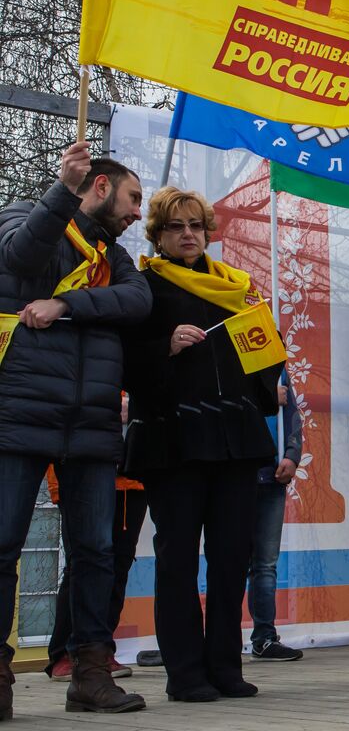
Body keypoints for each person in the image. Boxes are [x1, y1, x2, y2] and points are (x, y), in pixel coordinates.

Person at [0, 144, 149, 718]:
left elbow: (137, 301)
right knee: (3, 545)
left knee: (96, 552)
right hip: (20, 415)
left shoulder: (116, 256)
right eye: (133, 198)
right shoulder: (24, 214)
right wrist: (62, 191)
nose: (138, 212)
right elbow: (20, 256)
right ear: (102, 187)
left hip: (90, 423)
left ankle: (89, 672)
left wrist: (67, 307)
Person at [120, 186, 283, 702]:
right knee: (177, 561)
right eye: (176, 227)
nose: (188, 234)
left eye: (195, 225)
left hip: (235, 437)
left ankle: (225, 668)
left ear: (208, 232)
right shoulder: (145, 285)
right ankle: (186, 674)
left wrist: (269, 379)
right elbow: (122, 360)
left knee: (232, 556)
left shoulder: (238, 287)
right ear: (158, 235)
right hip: (175, 438)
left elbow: (263, 354)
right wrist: (163, 348)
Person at [44, 452, 146, 680]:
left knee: (119, 564)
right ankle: (64, 654)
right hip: (80, 468)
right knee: (82, 565)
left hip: (132, 478)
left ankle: (101, 650)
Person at [247, 373, 305, 661]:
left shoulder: (277, 364)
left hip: (272, 476)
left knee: (266, 564)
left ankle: (265, 637)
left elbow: (292, 413)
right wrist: (268, 396)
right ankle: (218, 641)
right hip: (237, 474)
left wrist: (292, 454)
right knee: (229, 561)